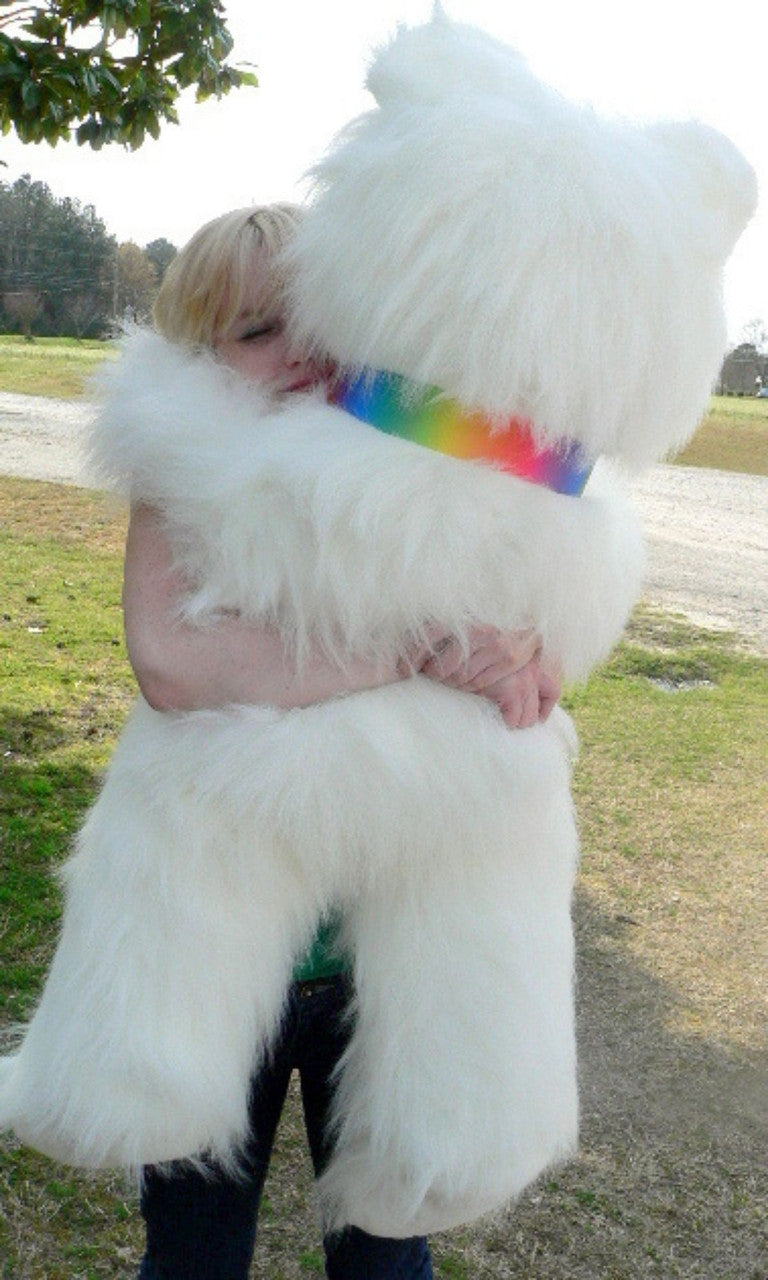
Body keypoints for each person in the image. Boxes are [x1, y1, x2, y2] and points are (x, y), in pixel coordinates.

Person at [123, 204, 561, 1279]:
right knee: (193, 1248)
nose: (302, 358)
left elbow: (528, 636)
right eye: (257, 331)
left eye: (322, 324)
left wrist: (529, 656)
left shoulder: (426, 465)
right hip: (216, 924)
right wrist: (408, 648)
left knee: (382, 1249)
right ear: (200, 355)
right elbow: (174, 661)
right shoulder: (184, 470)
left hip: (387, 937)